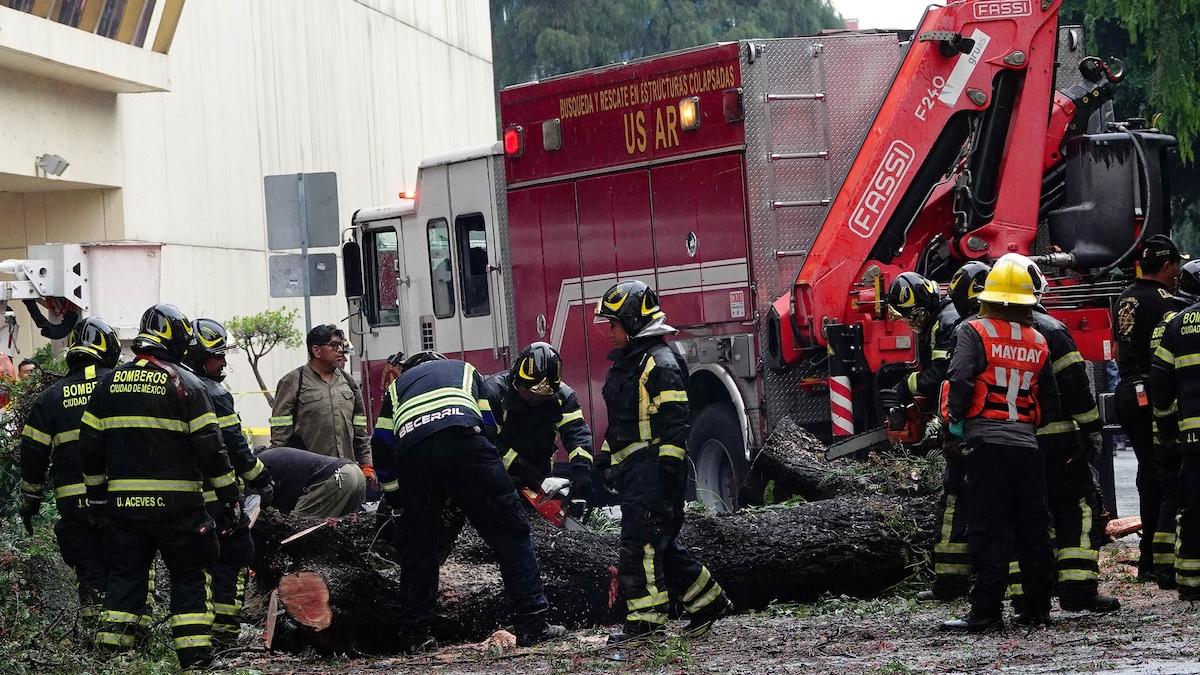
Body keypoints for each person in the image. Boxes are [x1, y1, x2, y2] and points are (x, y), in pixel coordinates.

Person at [80, 304, 242, 673]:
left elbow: (89, 446)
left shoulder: (108, 384)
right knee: (189, 580)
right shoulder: (188, 385)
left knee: (124, 584)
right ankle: (196, 661)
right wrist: (230, 497)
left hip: (125, 511)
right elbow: (211, 449)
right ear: (178, 340)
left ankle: (113, 662)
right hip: (180, 510)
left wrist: (97, 498)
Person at [372, 351, 565, 652]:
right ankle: (533, 625)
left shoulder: (399, 387)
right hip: (466, 443)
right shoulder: (465, 370)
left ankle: (415, 636)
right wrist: (478, 485)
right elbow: (487, 428)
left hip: (415, 455)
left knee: (419, 549)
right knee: (512, 534)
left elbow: (382, 444)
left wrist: (398, 501)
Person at [594, 280, 732, 644]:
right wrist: (605, 458)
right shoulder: (632, 363)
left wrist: (668, 470)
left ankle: (645, 622)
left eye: (613, 324)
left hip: (654, 472)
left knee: (638, 547)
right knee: (661, 545)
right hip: (637, 473)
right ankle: (708, 602)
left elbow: (675, 424)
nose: (609, 333)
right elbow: (626, 421)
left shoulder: (661, 363)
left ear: (633, 322)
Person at [940, 254, 1060, 632]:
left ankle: (987, 611)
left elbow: (959, 380)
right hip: (1026, 447)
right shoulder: (1038, 340)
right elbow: (1051, 403)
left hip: (985, 445)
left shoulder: (972, 332)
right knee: (1033, 528)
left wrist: (953, 426)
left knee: (988, 527)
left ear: (987, 297)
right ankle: (1038, 608)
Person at [18, 317, 121, 624]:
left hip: (75, 507)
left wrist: (30, 502)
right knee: (127, 570)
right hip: (120, 501)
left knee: (89, 575)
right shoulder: (119, 386)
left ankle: (94, 637)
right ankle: (129, 637)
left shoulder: (50, 398)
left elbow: (33, 455)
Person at [1029, 284, 1120, 613]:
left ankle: (1028, 594)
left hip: (1012, 442)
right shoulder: (1052, 330)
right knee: (1078, 509)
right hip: (1059, 439)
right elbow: (1075, 384)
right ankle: (1078, 590)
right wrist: (1092, 428)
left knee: (1025, 514)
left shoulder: (984, 331)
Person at [186, 318, 276, 645]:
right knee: (234, 557)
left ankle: (202, 639)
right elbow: (235, 447)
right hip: (216, 498)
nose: (223, 362)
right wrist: (261, 480)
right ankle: (224, 638)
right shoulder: (213, 392)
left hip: (182, 501)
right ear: (197, 355)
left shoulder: (174, 387)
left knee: (195, 573)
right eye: (217, 355)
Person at [896, 266, 976, 603]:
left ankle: (954, 582)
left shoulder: (946, 323)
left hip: (963, 423)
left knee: (955, 498)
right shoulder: (938, 321)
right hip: (964, 423)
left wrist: (908, 384)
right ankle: (960, 580)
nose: (911, 322)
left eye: (913, 315)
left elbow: (945, 374)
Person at [1113, 234, 1188, 578]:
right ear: (1168, 264)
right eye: (1176, 265)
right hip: (1152, 391)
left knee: (1147, 470)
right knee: (1164, 473)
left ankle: (1148, 559)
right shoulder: (1166, 303)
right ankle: (1158, 560)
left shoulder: (1125, 297)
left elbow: (1116, 351)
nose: (1178, 271)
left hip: (1127, 390)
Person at [484, 342, 594, 504]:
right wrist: (527, 473)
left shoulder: (563, 396)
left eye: (543, 399)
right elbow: (489, 444)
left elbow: (577, 432)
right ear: (517, 382)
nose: (536, 402)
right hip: (497, 479)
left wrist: (581, 469)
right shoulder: (494, 394)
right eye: (531, 396)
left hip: (540, 476)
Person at [1146, 262, 1200, 588]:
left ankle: (1192, 583)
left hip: (1192, 439)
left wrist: (1166, 425)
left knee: (1193, 507)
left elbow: (1160, 381)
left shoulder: (1177, 324)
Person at [269, 324, 374, 485]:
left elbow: (360, 430)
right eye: (333, 345)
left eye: (340, 345)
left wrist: (366, 464)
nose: (340, 349)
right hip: (311, 477)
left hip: (348, 474)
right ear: (316, 351)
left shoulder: (348, 382)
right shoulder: (294, 381)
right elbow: (280, 435)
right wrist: (282, 469)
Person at [257, 446, 366, 517]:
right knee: (343, 532)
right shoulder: (274, 456)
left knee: (297, 530)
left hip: (336, 478)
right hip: (354, 471)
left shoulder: (255, 468)